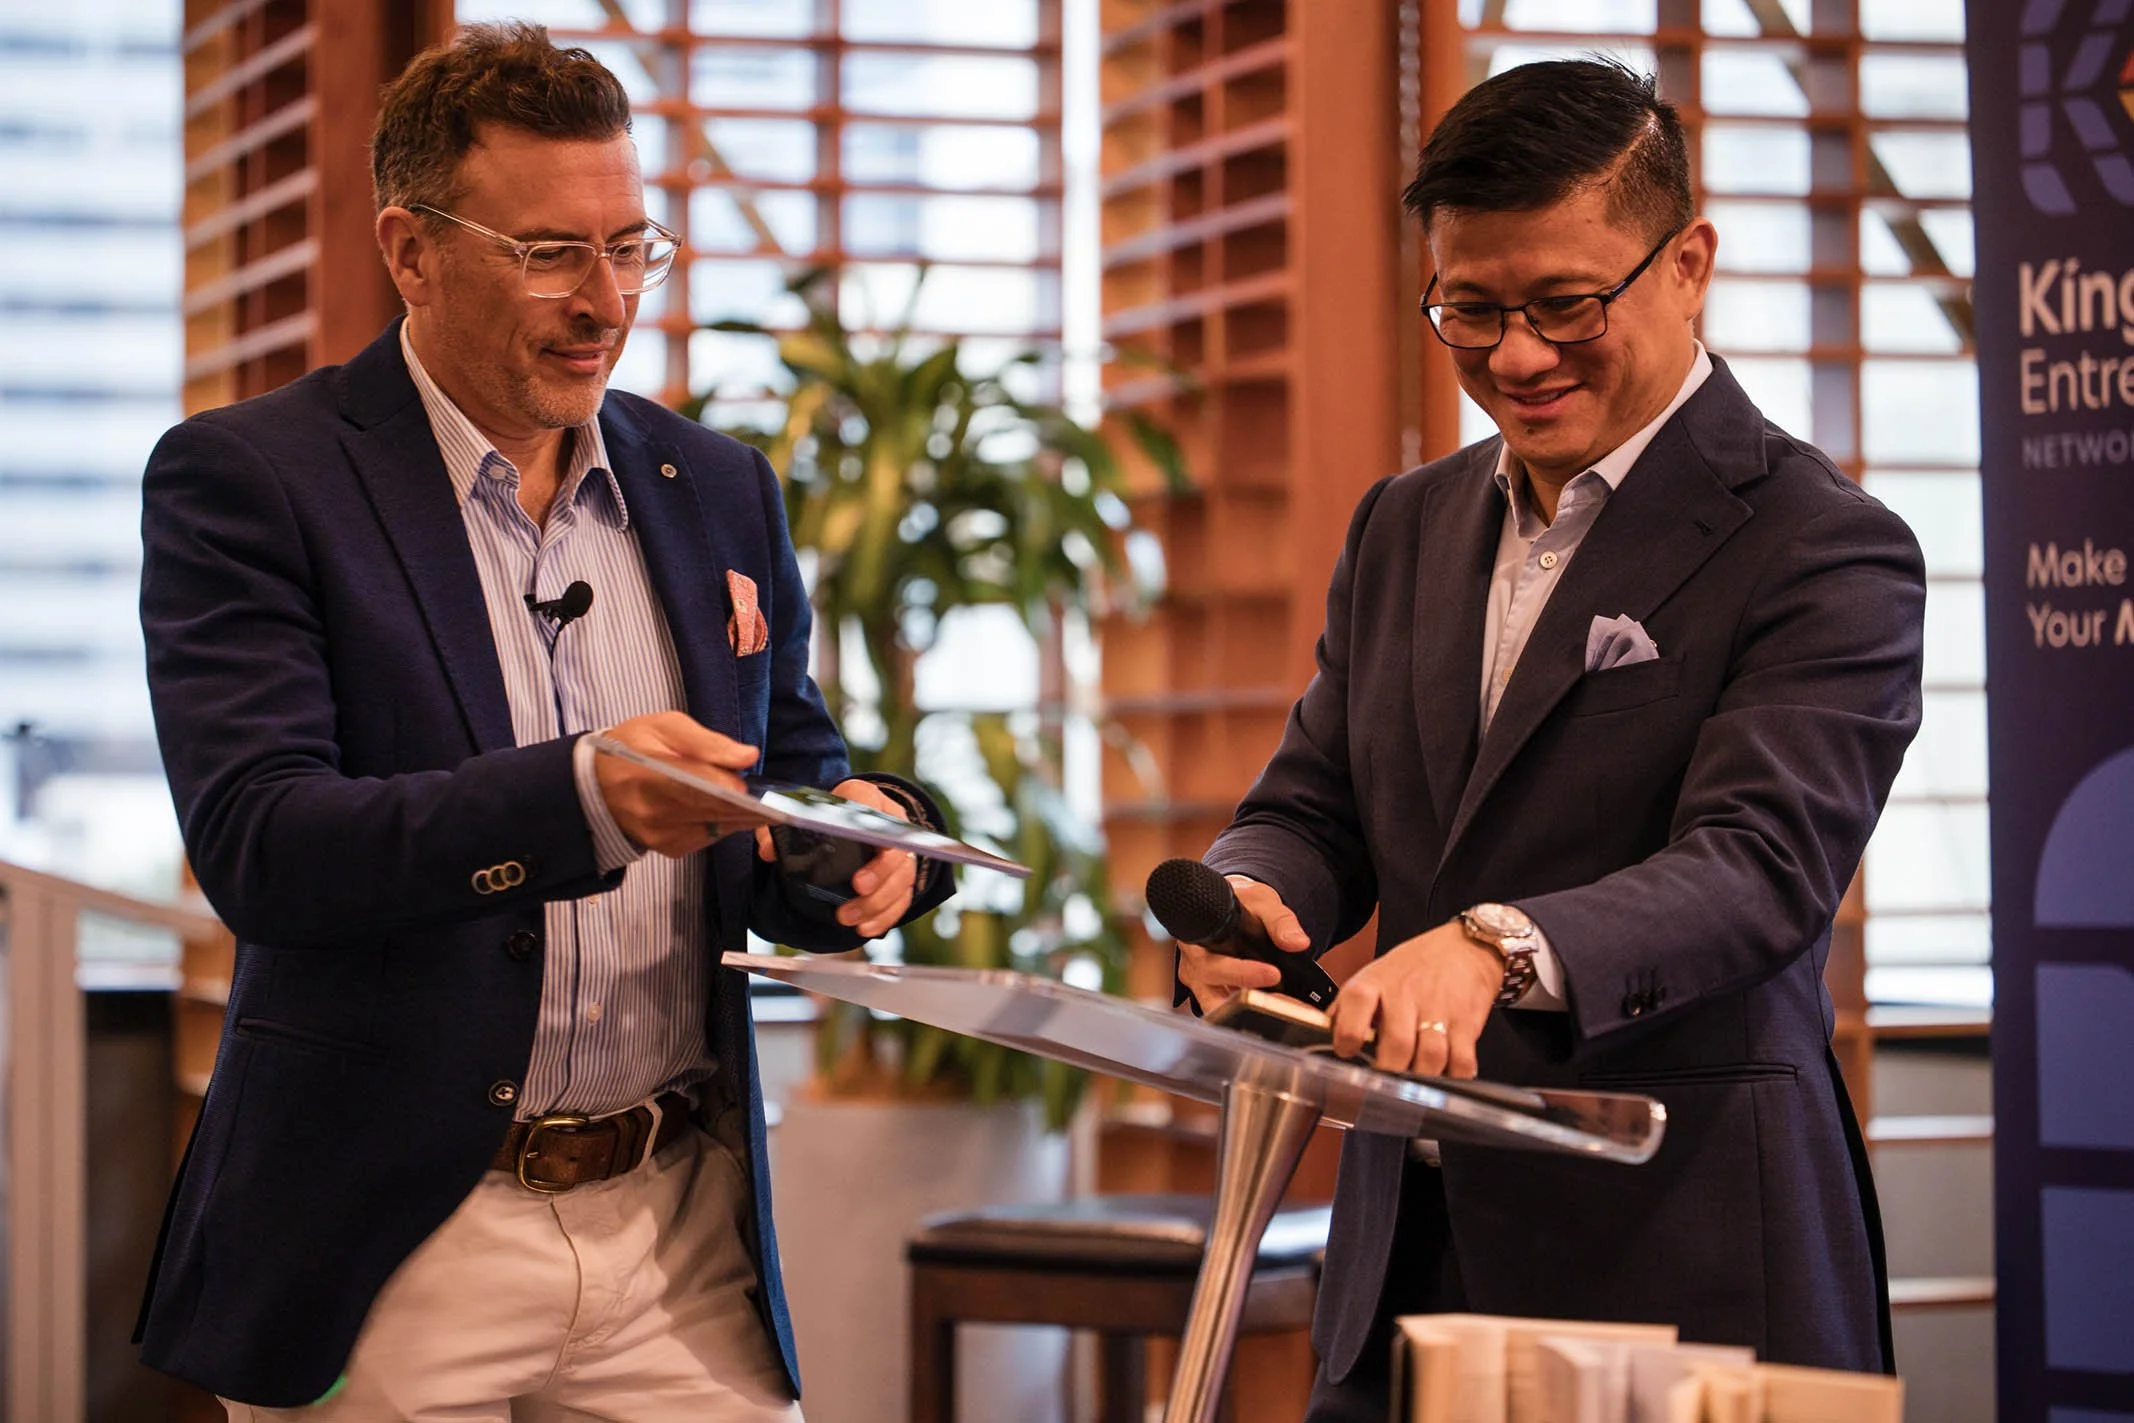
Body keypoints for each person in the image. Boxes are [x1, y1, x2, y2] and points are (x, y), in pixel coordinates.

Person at [135, 23, 952, 1419]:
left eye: (631, 245)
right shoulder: (253, 480)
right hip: (397, 1236)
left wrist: (866, 841)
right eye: (549, 252)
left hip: (677, 1227)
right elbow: (263, 845)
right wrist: (582, 796)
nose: (605, 300)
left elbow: (789, 770)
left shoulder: (718, 486)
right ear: (409, 249)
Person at [1174, 58, 1924, 1419]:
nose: (1514, 355)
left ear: (1685, 263)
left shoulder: (1821, 544)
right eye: (1468, 307)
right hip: (1408, 1255)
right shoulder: (1402, 522)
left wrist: (1496, 944)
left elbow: (1758, 866)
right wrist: (1253, 884)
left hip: (1680, 1261)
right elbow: (1320, 798)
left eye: (1565, 305)